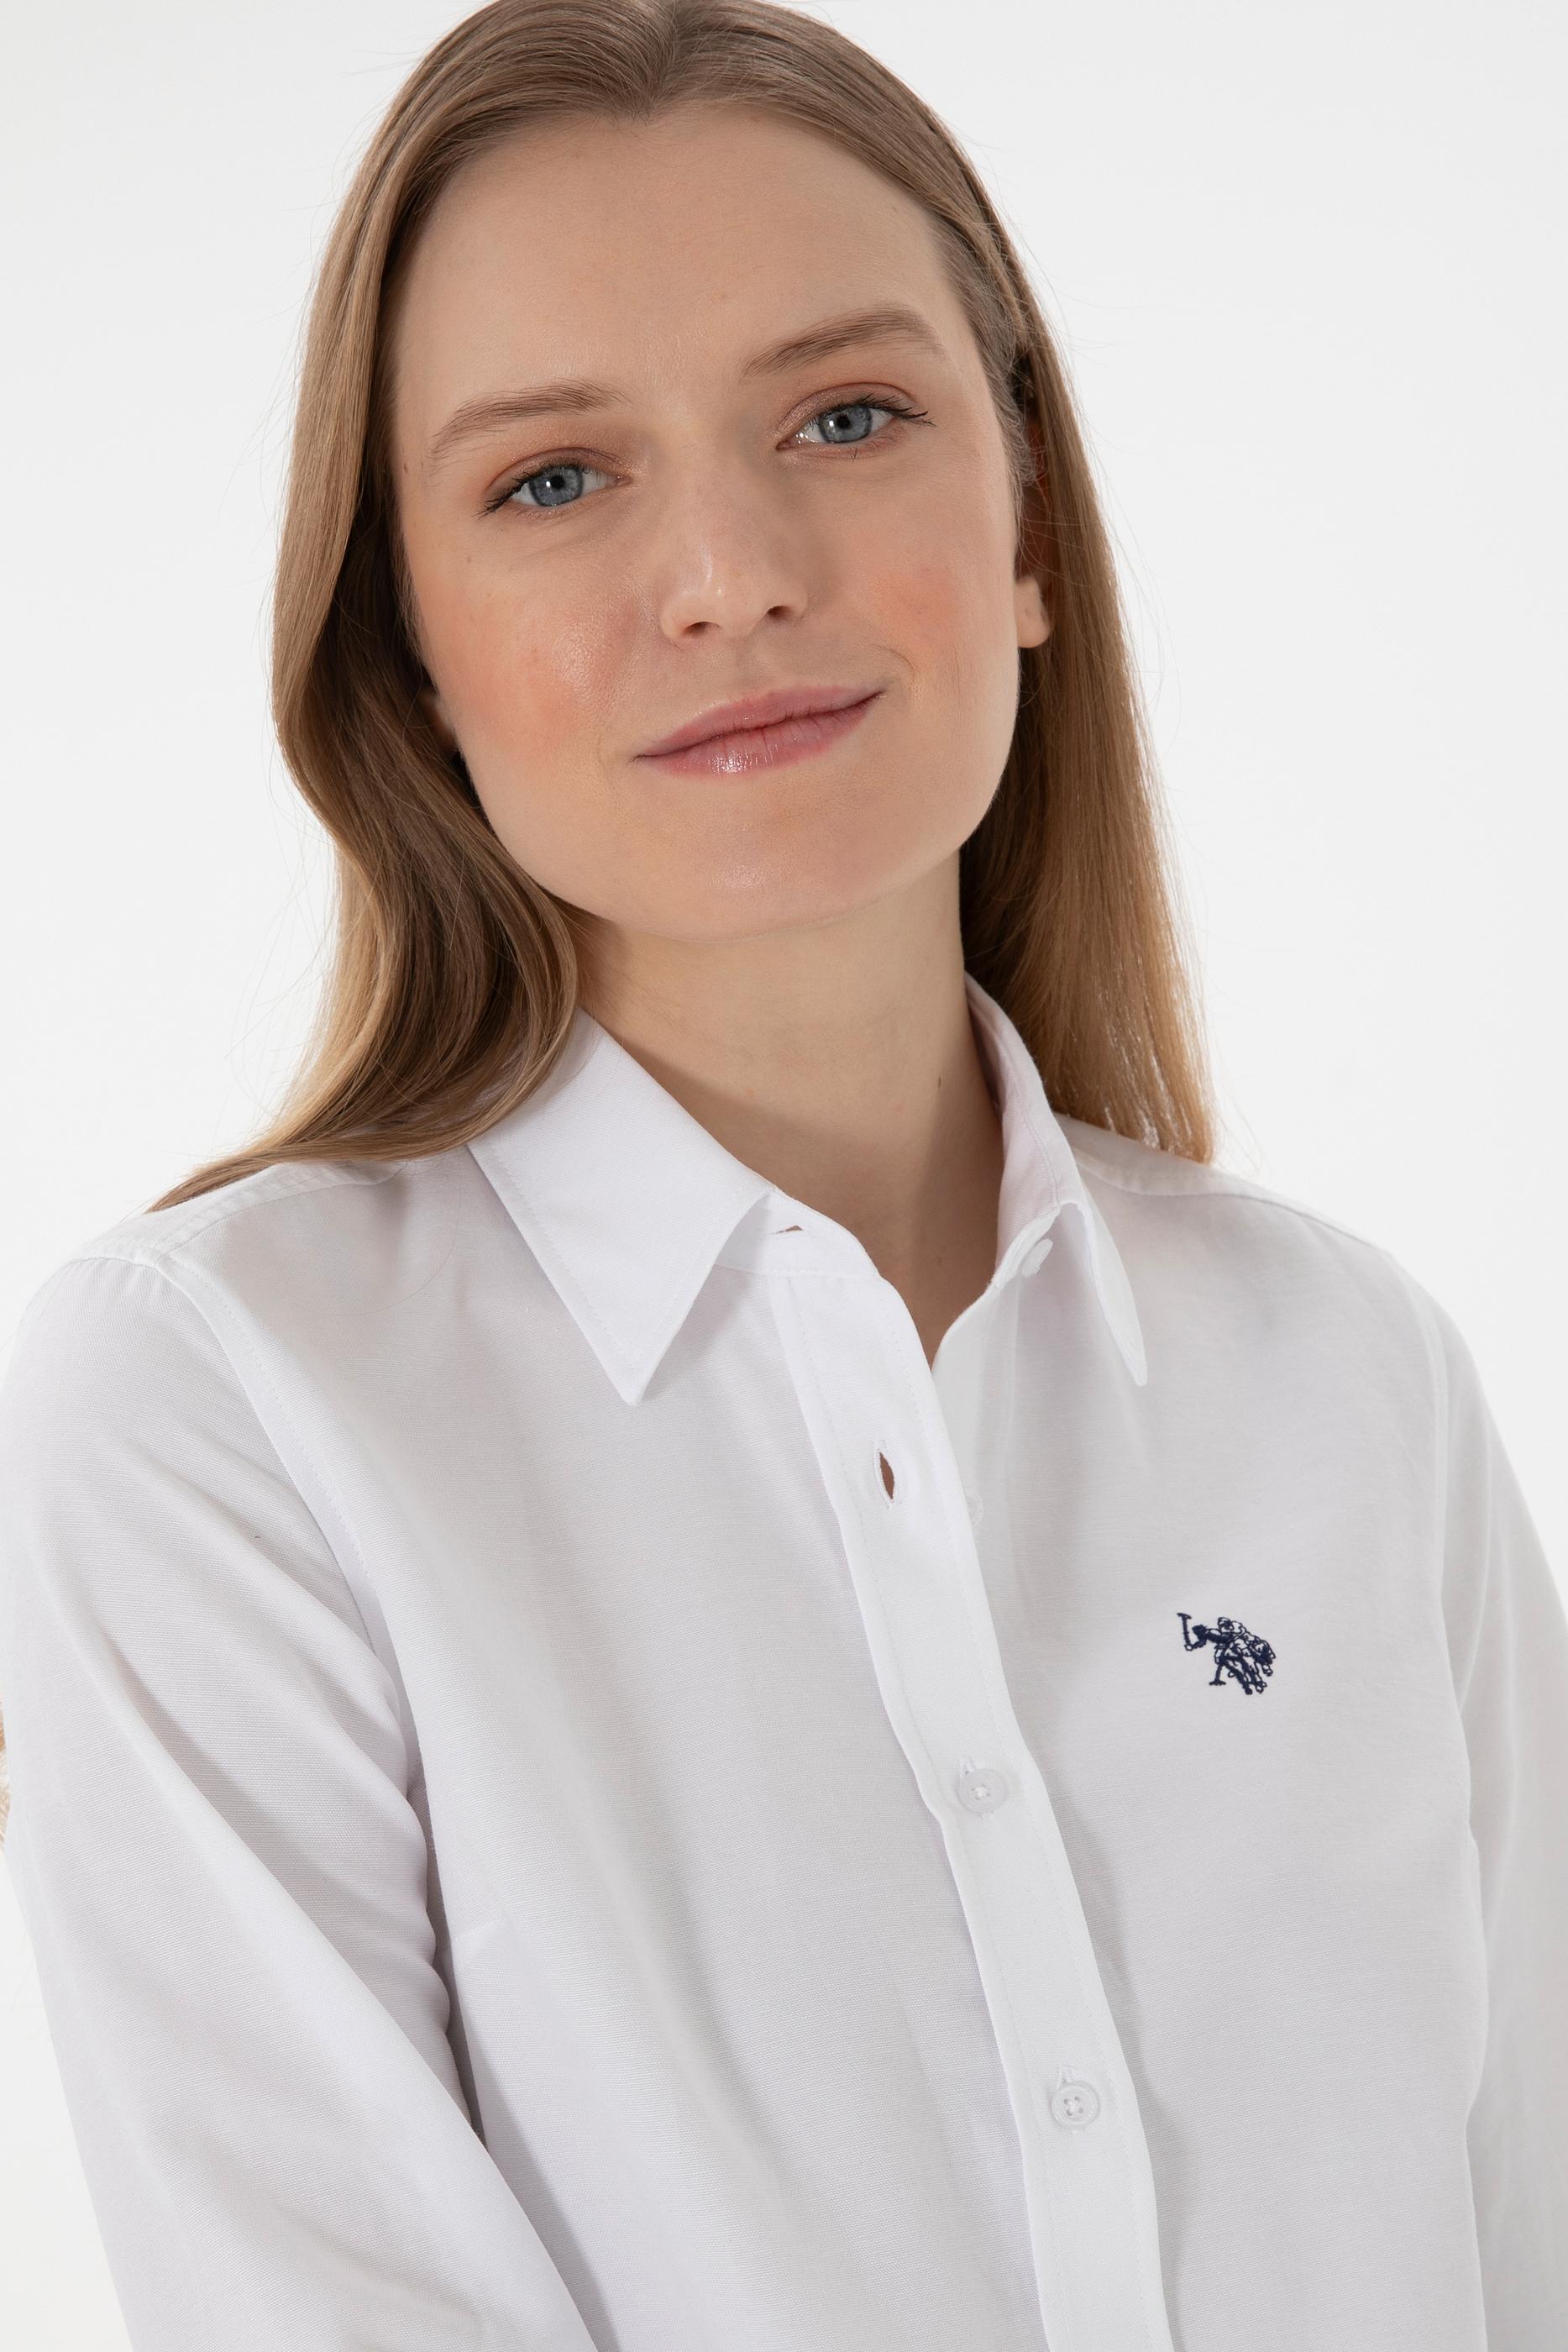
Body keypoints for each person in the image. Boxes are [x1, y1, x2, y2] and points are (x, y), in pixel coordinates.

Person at [1, 3, 1564, 2347]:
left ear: (1027, 526)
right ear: (406, 654)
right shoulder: (224, 1407)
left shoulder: (1343, 1375)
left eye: (845, 417)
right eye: (554, 479)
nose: (728, 573)